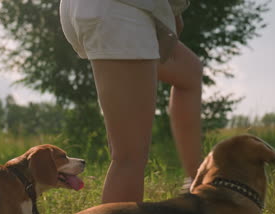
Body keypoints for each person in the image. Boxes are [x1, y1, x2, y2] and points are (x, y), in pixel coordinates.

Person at [60, 0, 202, 203]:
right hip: (119, 11)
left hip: (94, 8)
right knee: (129, 157)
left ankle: (197, 183)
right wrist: (176, 10)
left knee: (189, 70)